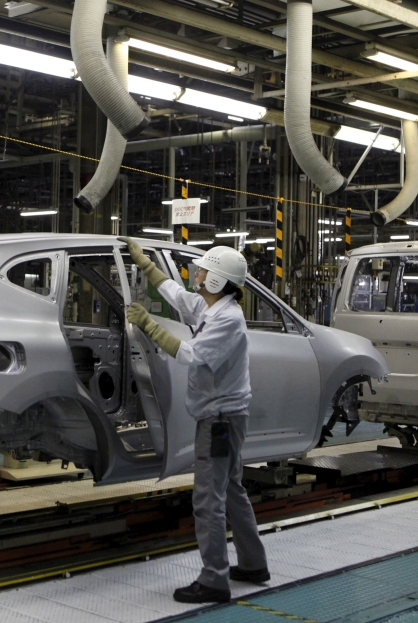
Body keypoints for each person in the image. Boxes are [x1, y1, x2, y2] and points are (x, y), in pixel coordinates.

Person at [121, 237, 268, 604]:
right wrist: (146, 265)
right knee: (231, 490)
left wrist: (148, 327)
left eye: (202, 271)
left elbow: (189, 354)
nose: (196, 275)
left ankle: (214, 579)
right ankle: (253, 564)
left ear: (216, 281)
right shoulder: (214, 308)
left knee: (208, 499)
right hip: (227, 416)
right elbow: (178, 296)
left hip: (219, 421)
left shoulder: (228, 320)